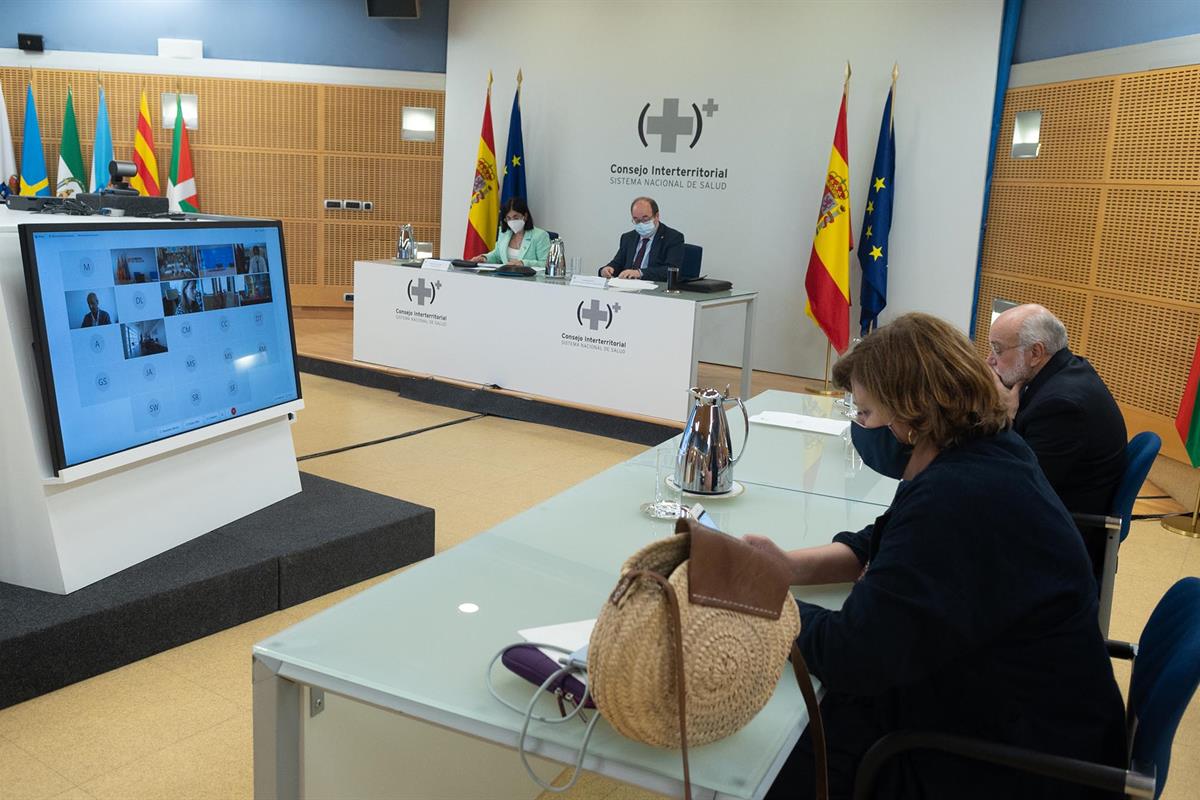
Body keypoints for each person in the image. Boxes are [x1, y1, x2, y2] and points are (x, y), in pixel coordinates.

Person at [747, 313, 1125, 800]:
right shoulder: (982, 450)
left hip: (1016, 760)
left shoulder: (958, 495)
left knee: (776, 754)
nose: (861, 426)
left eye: (863, 414)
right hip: (1011, 706)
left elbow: (854, 654)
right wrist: (788, 567)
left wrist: (764, 603)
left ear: (910, 415)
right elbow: (880, 539)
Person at [987, 303, 1127, 580]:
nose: (990, 360)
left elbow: (1018, 484)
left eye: (998, 349)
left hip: (1060, 542)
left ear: (1035, 353)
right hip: (1057, 513)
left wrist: (1005, 417)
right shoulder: (1065, 371)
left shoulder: (1062, 406)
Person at [598, 196, 684, 280]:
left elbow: (671, 270)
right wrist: (607, 269)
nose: (641, 224)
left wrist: (639, 273)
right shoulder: (628, 238)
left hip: (654, 290)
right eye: (636, 220)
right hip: (627, 288)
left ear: (657, 216)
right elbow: (617, 263)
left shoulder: (673, 237)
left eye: (645, 219)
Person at [470, 196, 551, 267]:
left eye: (516, 217)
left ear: (525, 216)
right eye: (508, 218)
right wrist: (484, 258)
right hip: (507, 279)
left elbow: (546, 263)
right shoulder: (504, 233)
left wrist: (523, 263)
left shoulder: (540, 236)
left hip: (531, 281)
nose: (512, 221)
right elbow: (497, 255)